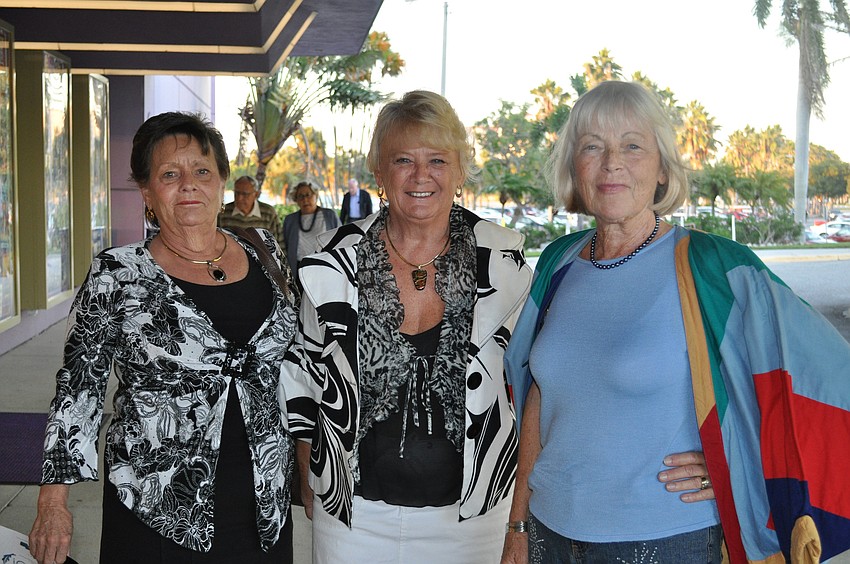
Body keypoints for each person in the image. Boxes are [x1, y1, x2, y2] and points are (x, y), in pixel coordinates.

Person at [501, 81, 850, 564]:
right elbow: (540, 394)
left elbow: (824, 375)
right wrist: (517, 526)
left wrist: (736, 463)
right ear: (574, 166)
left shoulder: (712, 267)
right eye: (592, 147)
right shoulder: (558, 263)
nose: (611, 163)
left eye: (632, 146)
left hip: (664, 537)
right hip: (549, 531)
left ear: (663, 168)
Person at [28, 112, 300, 564]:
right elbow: (79, 388)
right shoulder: (118, 273)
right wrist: (53, 502)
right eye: (170, 174)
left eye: (202, 171)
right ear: (148, 192)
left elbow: (296, 366)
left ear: (221, 184)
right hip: (157, 507)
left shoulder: (264, 253)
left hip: (262, 506)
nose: (188, 184)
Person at [285, 90, 534, 564]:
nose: (421, 175)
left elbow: (535, 383)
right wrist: (309, 468)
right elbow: (303, 370)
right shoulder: (334, 261)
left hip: (473, 519)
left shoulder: (505, 264)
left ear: (459, 171)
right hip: (354, 517)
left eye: (437, 159)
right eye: (403, 160)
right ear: (380, 174)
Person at [282, 181, 341, 274]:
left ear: (315, 195)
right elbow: (285, 245)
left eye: (308, 195)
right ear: (296, 200)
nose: (305, 199)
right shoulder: (290, 220)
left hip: (326, 267)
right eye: (300, 196)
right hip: (299, 269)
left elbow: (341, 241)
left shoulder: (329, 215)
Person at [219, 175, 285, 249]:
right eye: (236, 193)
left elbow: (279, 243)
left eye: (245, 194)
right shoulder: (223, 212)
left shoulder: (268, 213)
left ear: (256, 194)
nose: (239, 198)